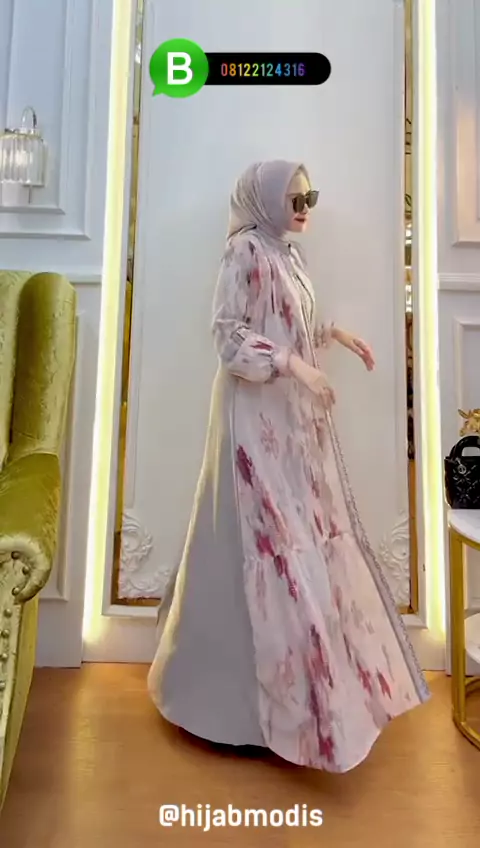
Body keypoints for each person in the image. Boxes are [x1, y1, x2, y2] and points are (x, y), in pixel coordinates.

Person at [148, 160, 430, 772]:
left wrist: (332, 334)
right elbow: (228, 335)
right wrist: (294, 366)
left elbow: (285, 323)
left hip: (286, 422)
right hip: (250, 418)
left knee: (292, 541)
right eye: (294, 198)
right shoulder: (244, 250)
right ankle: (227, 707)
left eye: (310, 198)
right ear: (265, 199)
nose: (304, 209)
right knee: (256, 543)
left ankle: (291, 705)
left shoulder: (287, 254)